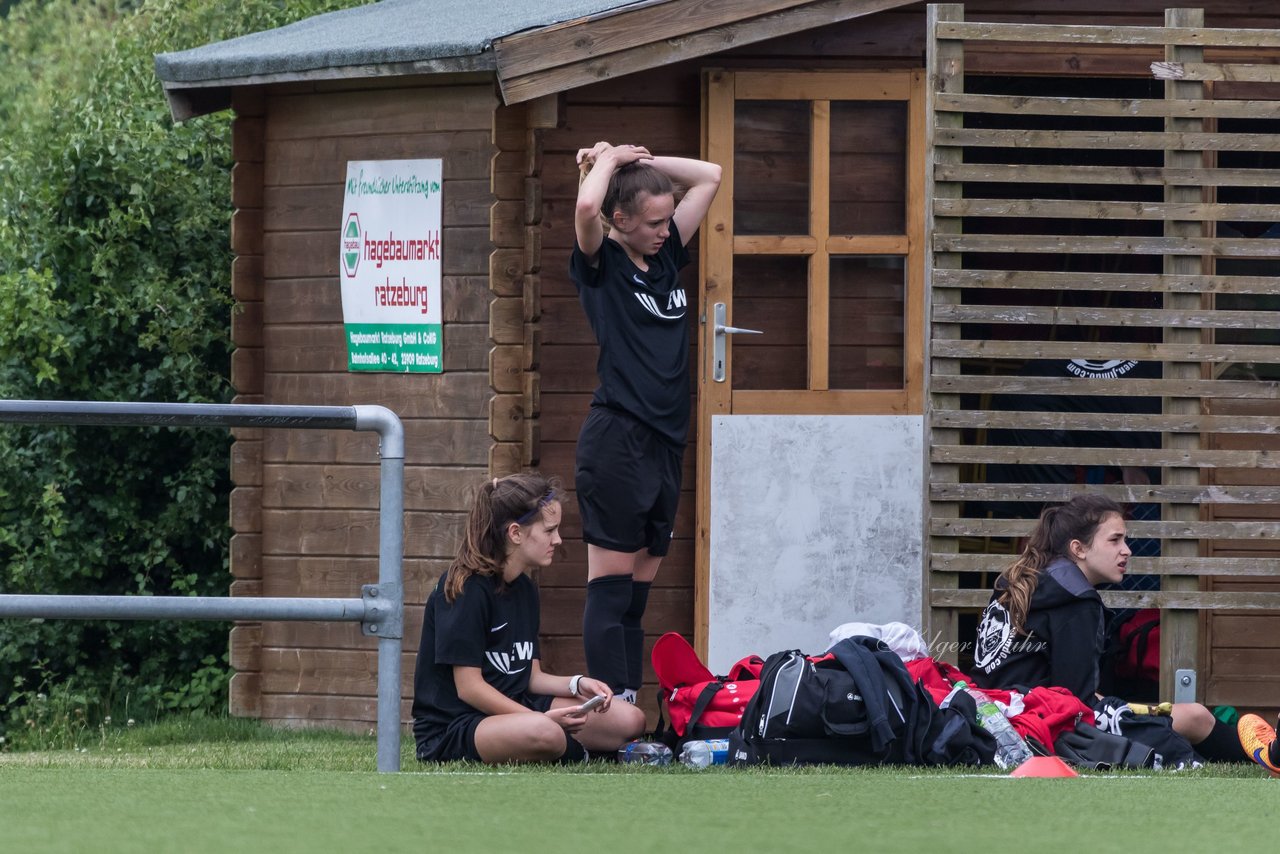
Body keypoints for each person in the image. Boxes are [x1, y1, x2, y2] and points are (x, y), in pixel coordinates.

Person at [571, 142, 722, 704]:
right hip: (617, 441)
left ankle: (627, 702)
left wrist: (642, 156)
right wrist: (607, 164)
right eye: (654, 222)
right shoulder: (601, 264)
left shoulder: (662, 258)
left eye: (667, 219)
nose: (665, 230)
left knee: (636, 596)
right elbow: (586, 212)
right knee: (609, 591)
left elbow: (709, 176)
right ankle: (613, 712)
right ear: (622, 220)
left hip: (663, 444)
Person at [970, 494, 1258, 766]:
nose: (1127, 550)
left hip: (989, 721)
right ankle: (1268, 755)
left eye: (1125, 540)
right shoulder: (1077, 601)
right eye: (1115, 540)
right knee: (1195, 717)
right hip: (1041, 730)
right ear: (1078, 549)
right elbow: (1075, 704)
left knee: (1184, 714)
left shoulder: (1029, 580)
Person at [411, 473, 646, 763]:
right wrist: (541, 718)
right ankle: (577, 754)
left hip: (519, 708)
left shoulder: (525, 588)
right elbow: (469, 688)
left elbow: (531, 677)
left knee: (630, 720)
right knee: (545, 731)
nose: (558, 540)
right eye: (549, 531)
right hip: (457, 726)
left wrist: (578, 683)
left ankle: (562, 744)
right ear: (515, 533)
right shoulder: (466, 588)